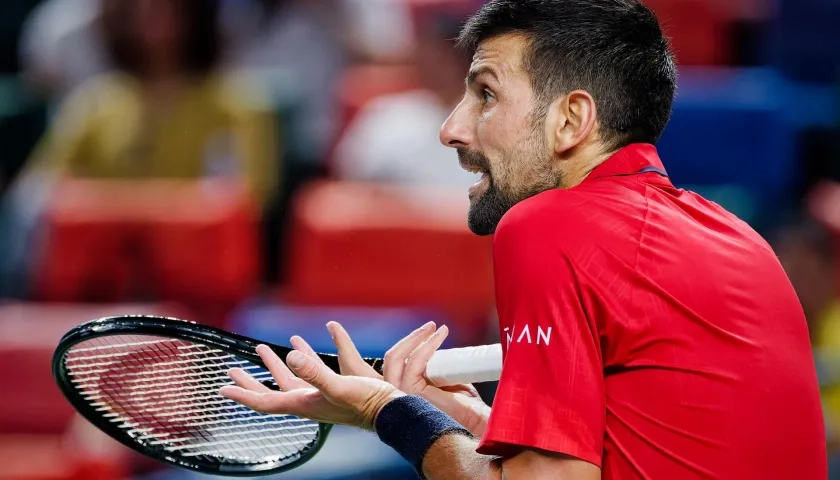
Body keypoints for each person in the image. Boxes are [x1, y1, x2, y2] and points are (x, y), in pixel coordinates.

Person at [222, 1, 827, 478]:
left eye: (485, 93)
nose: (451, 128)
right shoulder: (739, 239)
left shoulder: (547, 224)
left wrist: (389, 414)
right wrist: (462, 418)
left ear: (570, 120)